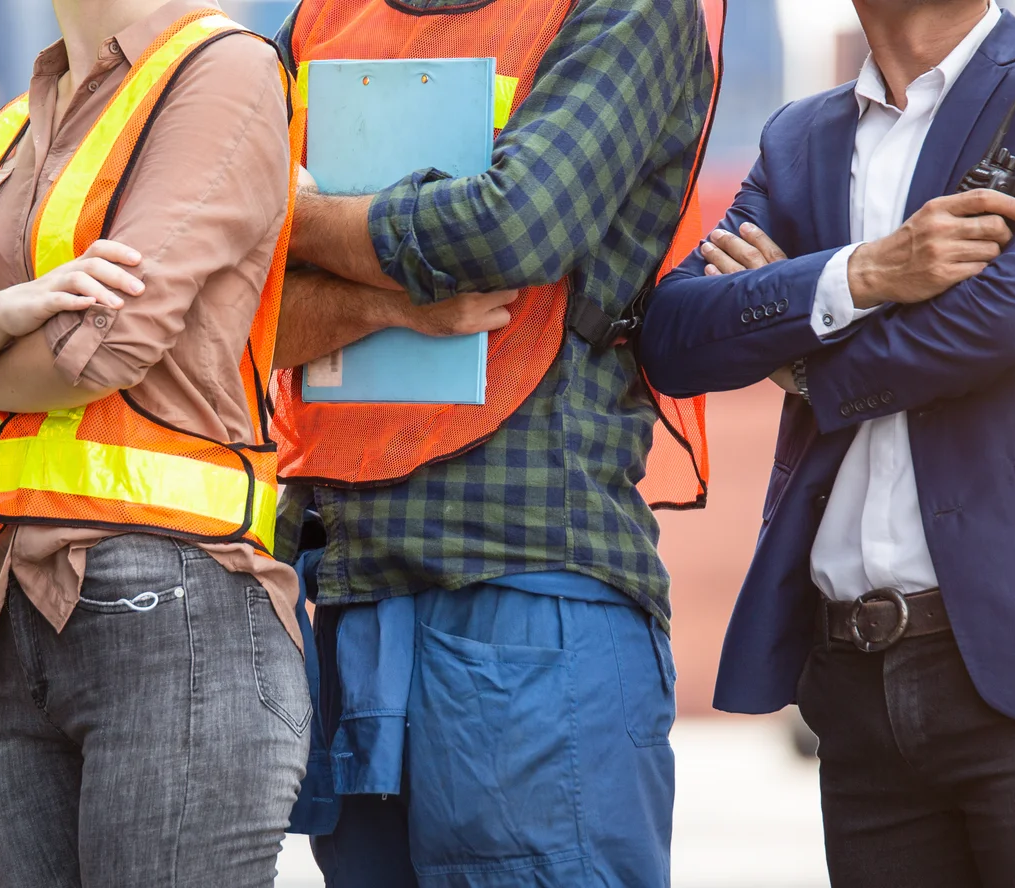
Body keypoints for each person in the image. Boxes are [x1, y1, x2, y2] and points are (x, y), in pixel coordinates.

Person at [639, 2, 1015, 885]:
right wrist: (868, 271)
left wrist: (806, 363)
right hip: (852, 676)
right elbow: (674, 335)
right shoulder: (798, 140)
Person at [265, 0, 720, 884]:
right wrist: (385, 301)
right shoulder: (320, 20)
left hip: (526, 584)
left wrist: (303, 220)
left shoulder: (626, 12)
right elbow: (221, 291)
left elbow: (515, 227)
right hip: (351, 590)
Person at [0, 0, 305, 884]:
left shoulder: (223, 67)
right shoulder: (10, 127)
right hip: (21, 605)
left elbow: (105, 348)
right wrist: (11, 314)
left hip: (176, 594)